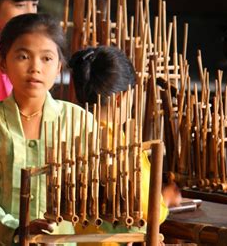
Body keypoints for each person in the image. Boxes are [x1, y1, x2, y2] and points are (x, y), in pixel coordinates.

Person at [0, 13, 95, 245]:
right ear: (2, 62)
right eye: (23, 56)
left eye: (47, 58)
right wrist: (16, 230)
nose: (35, 68)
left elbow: (99, 195)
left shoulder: (80, 122)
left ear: (59, 67)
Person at [68, 46, 181, 246]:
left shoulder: (71, 133)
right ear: (121, 98)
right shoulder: (120, 146)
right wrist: (166, 199)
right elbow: (147, 211)